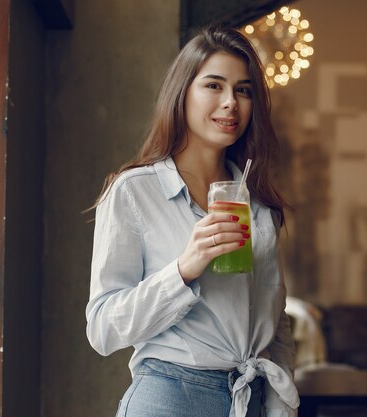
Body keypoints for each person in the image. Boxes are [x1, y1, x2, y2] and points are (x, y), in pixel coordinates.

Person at [85, 26, 299, 417]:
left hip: (248, 397)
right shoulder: (136, 192)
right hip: (169, 396)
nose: (231, 103)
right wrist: (184, 269)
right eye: (214, 86)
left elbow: (276, 323)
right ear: (183, 94)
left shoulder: (259, 206)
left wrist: (281, 407)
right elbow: (102, 329)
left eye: (243, 90)